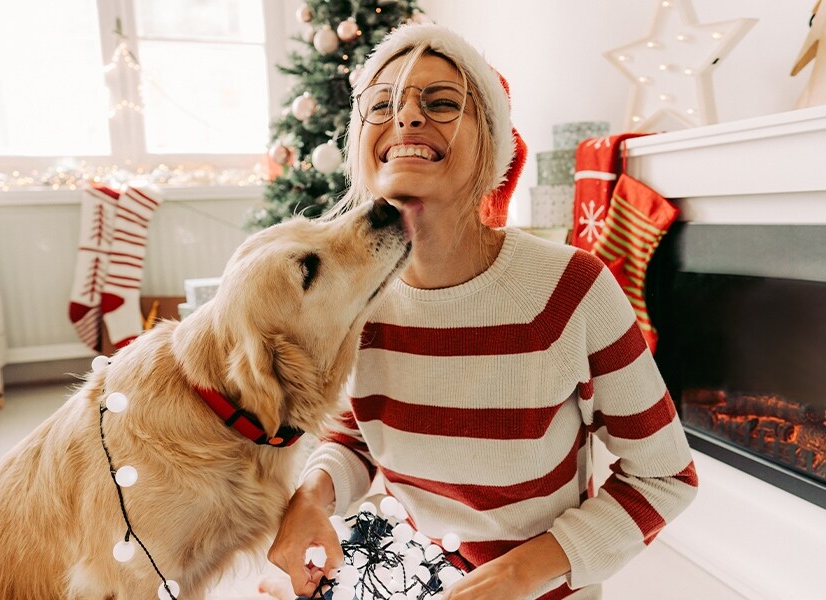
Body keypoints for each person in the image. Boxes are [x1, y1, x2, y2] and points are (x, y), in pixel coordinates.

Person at [261, 23, 698, 600]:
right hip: (401, 574)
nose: (408, 117)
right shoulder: (352, 299)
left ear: (491, 146)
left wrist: (513, 575)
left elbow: (665, 475)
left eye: (441, 103)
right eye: (381, 105)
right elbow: (356, 437)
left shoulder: (571, 288)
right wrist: (312, 496)